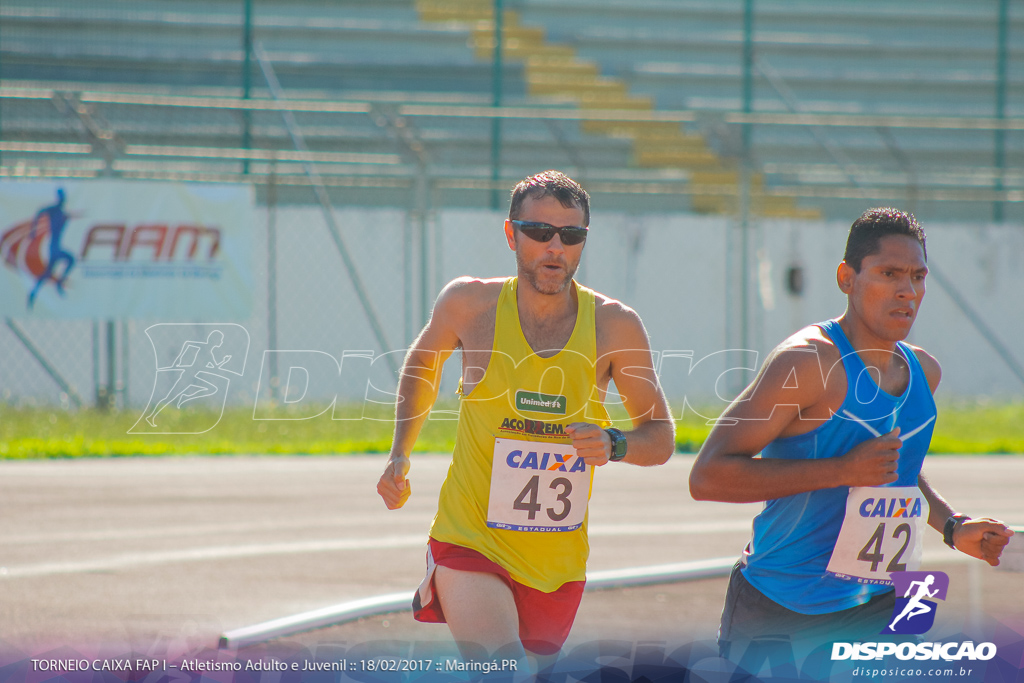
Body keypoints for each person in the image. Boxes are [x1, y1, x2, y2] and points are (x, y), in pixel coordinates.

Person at [688, 208, 1014, 661]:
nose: (907, 291)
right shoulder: (807, 364)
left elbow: (897, 473)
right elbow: (707, 477)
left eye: (918, 277)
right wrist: (841, 471)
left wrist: (952, 526)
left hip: (880, 601)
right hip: (784, 606)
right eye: (889, 274)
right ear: (847, 277)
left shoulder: (924, 372)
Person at [376, 170, 675, 665]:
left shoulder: (614, 325)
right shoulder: (470, 304)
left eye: (571, 236)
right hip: (470, 541)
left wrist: (614, 444)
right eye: (540, 233)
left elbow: (660, 436)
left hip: (556, 563)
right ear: (512, 234)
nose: (555, 248)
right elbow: (423, 365)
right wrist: (398, 455)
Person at [28, 188, 76, 309]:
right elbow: (40, 212)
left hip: (55, 247)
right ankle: (59, 282)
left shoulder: (61, 212)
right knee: (71, 259)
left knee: (47, 272)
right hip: (54, 248)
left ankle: (34, 292)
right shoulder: (53, 210)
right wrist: (33, 230)